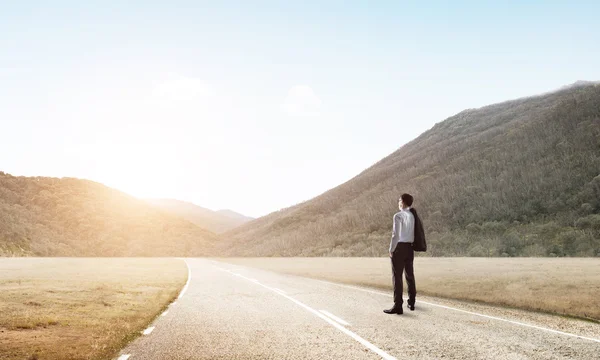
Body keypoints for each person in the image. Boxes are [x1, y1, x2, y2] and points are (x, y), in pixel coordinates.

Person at [383, 193, 416, 315]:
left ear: (402, 202)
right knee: (410, 275)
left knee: (397, 277)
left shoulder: (398, 216)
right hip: (410, 248)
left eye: (399, 200)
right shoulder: (413, 215)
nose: (398, 202)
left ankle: (398, 306)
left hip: (399, 248)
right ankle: (411, 302)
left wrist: (391, 249)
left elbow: (395, 235)